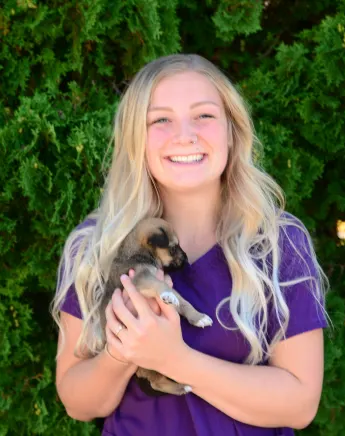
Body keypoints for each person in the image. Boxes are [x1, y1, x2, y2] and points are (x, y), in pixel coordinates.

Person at [51, 53, 329, 436]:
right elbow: (78, 402)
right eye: (160, 119)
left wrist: (174, 359)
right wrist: (122, 350)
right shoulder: (95, 246)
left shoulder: (279, 245)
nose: (185, 134)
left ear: (232, 130)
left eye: (204, 115)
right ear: (136, 138)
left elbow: (299, 404)